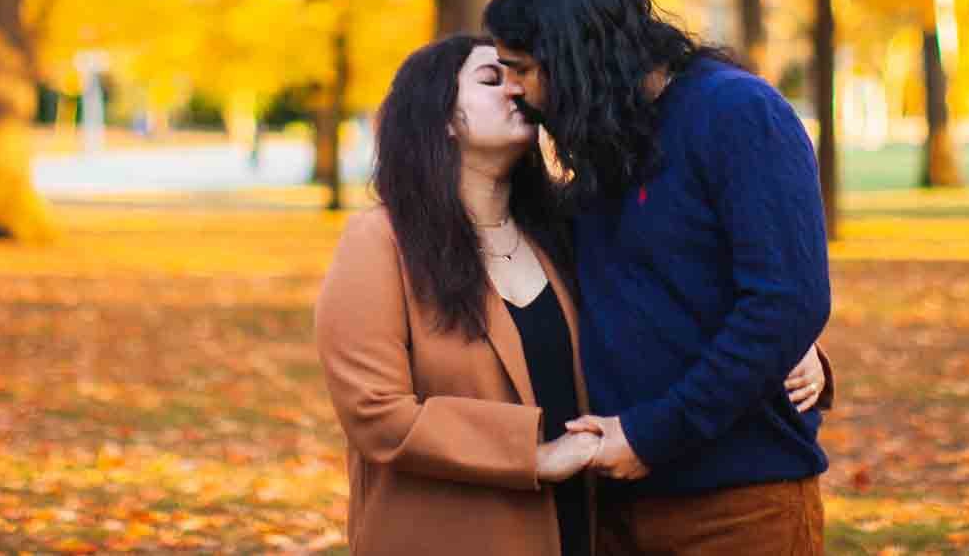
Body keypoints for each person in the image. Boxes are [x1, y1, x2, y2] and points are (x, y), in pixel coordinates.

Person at [314, 35, 827, 556]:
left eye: (520, 76)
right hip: (448, 531)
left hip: (578, 529)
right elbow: (374, 412)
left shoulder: (566, 227)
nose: (516, 90)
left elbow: (667, 303)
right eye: (492, 80)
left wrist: (793, 344)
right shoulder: (382, 241)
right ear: (439, 119)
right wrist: (534, 455)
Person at [485, 0, 833, 556]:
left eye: (522, 69)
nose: (515, 91)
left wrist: (651, 435)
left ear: (574, 57)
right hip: (609, 507)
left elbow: (785, 302)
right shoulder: (602, 142)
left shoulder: (738, 115)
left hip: (734, 506)